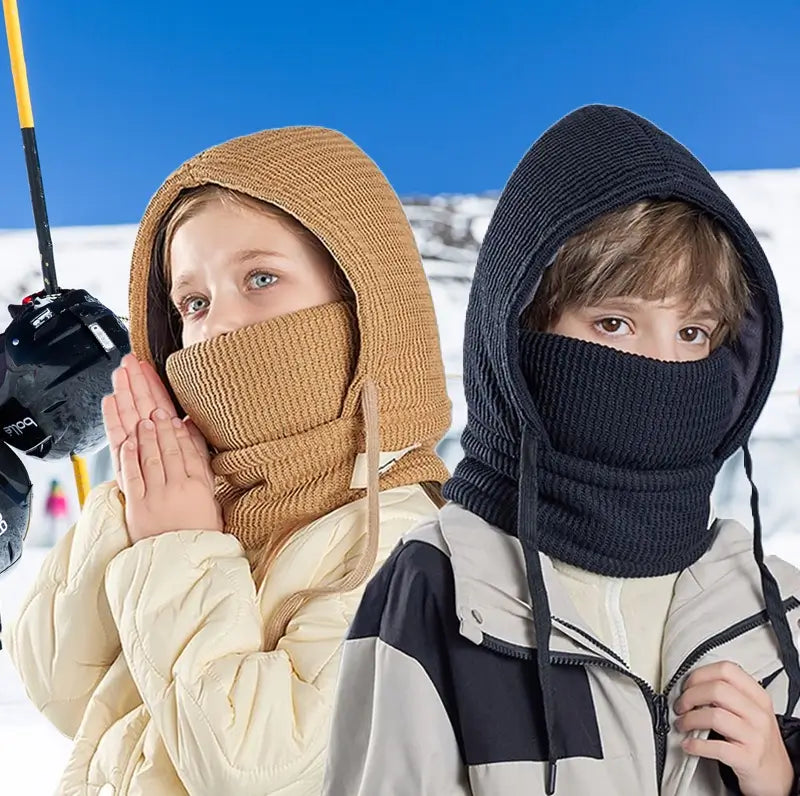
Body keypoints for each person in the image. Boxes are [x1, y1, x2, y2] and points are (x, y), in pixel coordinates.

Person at [323, 105, 800, 796]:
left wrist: (781, 781)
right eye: (615, 323)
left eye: (694, 334)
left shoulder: (778, 604)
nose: (662, 366)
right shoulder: (441, 591)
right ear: (519, 333)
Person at [6, 126, 451, 795]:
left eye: (261, 278)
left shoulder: (405, 544)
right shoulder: (209, 492)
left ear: (367, 301)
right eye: (194, 302)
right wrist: (136, 502)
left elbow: (261, 771)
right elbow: (58, 682)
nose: (217, 327)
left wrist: (179, 543)